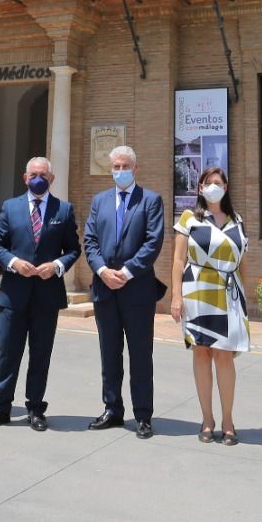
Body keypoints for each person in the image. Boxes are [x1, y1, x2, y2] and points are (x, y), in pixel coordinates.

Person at [0, 157, 81, 432]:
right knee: (8, 353)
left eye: (44, 175)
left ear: (52, 178)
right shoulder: (10, 208)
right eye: (34, 174)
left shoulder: (64, 209)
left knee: (40, 354)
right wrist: (13, 263)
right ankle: (0, 406)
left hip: (47, 295)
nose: (38, 179)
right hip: (14, 293)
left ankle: (35, 408)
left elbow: (74, 249)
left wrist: (57, 266)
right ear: (25, 178)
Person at [84, 144, 166, 439]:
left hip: (137, 291)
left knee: (141, 354)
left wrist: (127, 272)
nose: (119, 171)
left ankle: (143, 415)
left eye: (124, 166)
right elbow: (90, 241)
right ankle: (112, 409)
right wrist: (102, 271)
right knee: (109, 352)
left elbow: (153, 242)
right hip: (104, 290)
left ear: (135, 169)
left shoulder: (151, 201)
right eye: (115, 167)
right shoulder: (99, 201)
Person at [169, 166, 249, 445]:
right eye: (207, 182)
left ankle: (228, 421)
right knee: (202, 354)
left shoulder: (237, 220)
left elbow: (243, 264)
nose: (213, 186)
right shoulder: (189, 218)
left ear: (225, 187)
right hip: (197, 291)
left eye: (218, 182)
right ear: (200, 188)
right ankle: (207, 419)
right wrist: (176, 296)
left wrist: (244, 299)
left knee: (224, 356)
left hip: (228, 294)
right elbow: (178, 260)